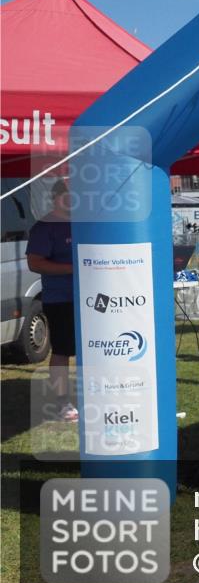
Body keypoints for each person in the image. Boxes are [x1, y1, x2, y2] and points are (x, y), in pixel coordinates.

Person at [26, 179, 77, 422]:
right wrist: (73, 268)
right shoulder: (45, 226)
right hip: (61, 299)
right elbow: (34, 263)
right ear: (56, 197)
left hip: (92, 298)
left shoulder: (84, 222)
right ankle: (62, 402)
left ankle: (96, 393)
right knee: (62, 351)